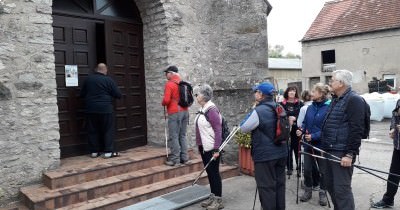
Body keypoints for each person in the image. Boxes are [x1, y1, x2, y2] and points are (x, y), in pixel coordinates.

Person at [320, 69, 366, 210]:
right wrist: (324, 148)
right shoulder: (335, 99)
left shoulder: (354, 100)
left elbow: (357, 129)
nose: (330, 82)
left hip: (342, 152)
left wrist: (350, 154)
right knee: (330, 185)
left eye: (332, 80)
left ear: (341, 83)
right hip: (330, 149)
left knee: (341, 190)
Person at [240, 82, 287, 210]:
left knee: (266, 188)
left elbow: (243, 127)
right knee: (279, 186)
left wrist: (253, 109)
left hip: (265, 156)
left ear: (261, 95)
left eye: (256, 92)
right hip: (281, 152)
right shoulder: (280, 107)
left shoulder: (258, 110)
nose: (255, 94)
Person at [296, 83, 331, 206]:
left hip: (321, 144)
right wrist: (301, 129)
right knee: (307, 170)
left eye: (314, 92)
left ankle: (322, 193)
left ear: (321, 94)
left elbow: (329, 129)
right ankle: (308, 191)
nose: (311, 94)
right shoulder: (310, 107)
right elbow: (305, 122)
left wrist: (314, 136)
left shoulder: (329, 107)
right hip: (308, 144)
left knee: (323, 171)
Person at [80, 63, 122, 158]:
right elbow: (118, 94)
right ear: (105, 70)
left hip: (90, 109)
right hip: (105, 109)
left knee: (92, 130)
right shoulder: (108, 80)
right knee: (108, 130)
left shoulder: (88, 79)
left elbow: (82, 94)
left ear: (96, 69)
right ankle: (108, 152)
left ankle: (94, 152)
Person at [194, 84, 223, 210]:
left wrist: (216, 149)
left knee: (214, 173)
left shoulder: (211, 110)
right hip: (204, 147)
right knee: (210, 173)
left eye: (198, 94)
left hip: (212, 148)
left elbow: (218, 130)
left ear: (204, 96)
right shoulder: (203, 108)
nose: (196, 96)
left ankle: (218, 200)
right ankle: (213, 196)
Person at [371, 99, 400, 208]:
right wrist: (392, 128)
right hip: (398, 146)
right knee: (393, 175)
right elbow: (394, 115)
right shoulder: (399, 101)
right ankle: (388, 200)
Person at [162, 65, 190, 166]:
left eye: (167, 73)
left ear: (171, 73)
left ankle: (175, 159)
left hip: (175, 112)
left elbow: (166, 100)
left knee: (174, 136)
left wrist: (163, 103)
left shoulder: (169, 84)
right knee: (182, 135)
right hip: (185, 111)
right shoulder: (182, 82)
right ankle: (184, 158)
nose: (166, 75)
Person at [280, 86, 303, 176]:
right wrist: (287, 118)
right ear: (287, 92)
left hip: (297, 130)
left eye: (294, 91)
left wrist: (295, 118)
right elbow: (279, 116)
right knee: (287, 148)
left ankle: (299, 168)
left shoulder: (300, 103)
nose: (292, 92)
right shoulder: (282, 104)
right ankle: (289, 167)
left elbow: (303, 115)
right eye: (290, 91)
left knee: (297, 148)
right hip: (285, 129)